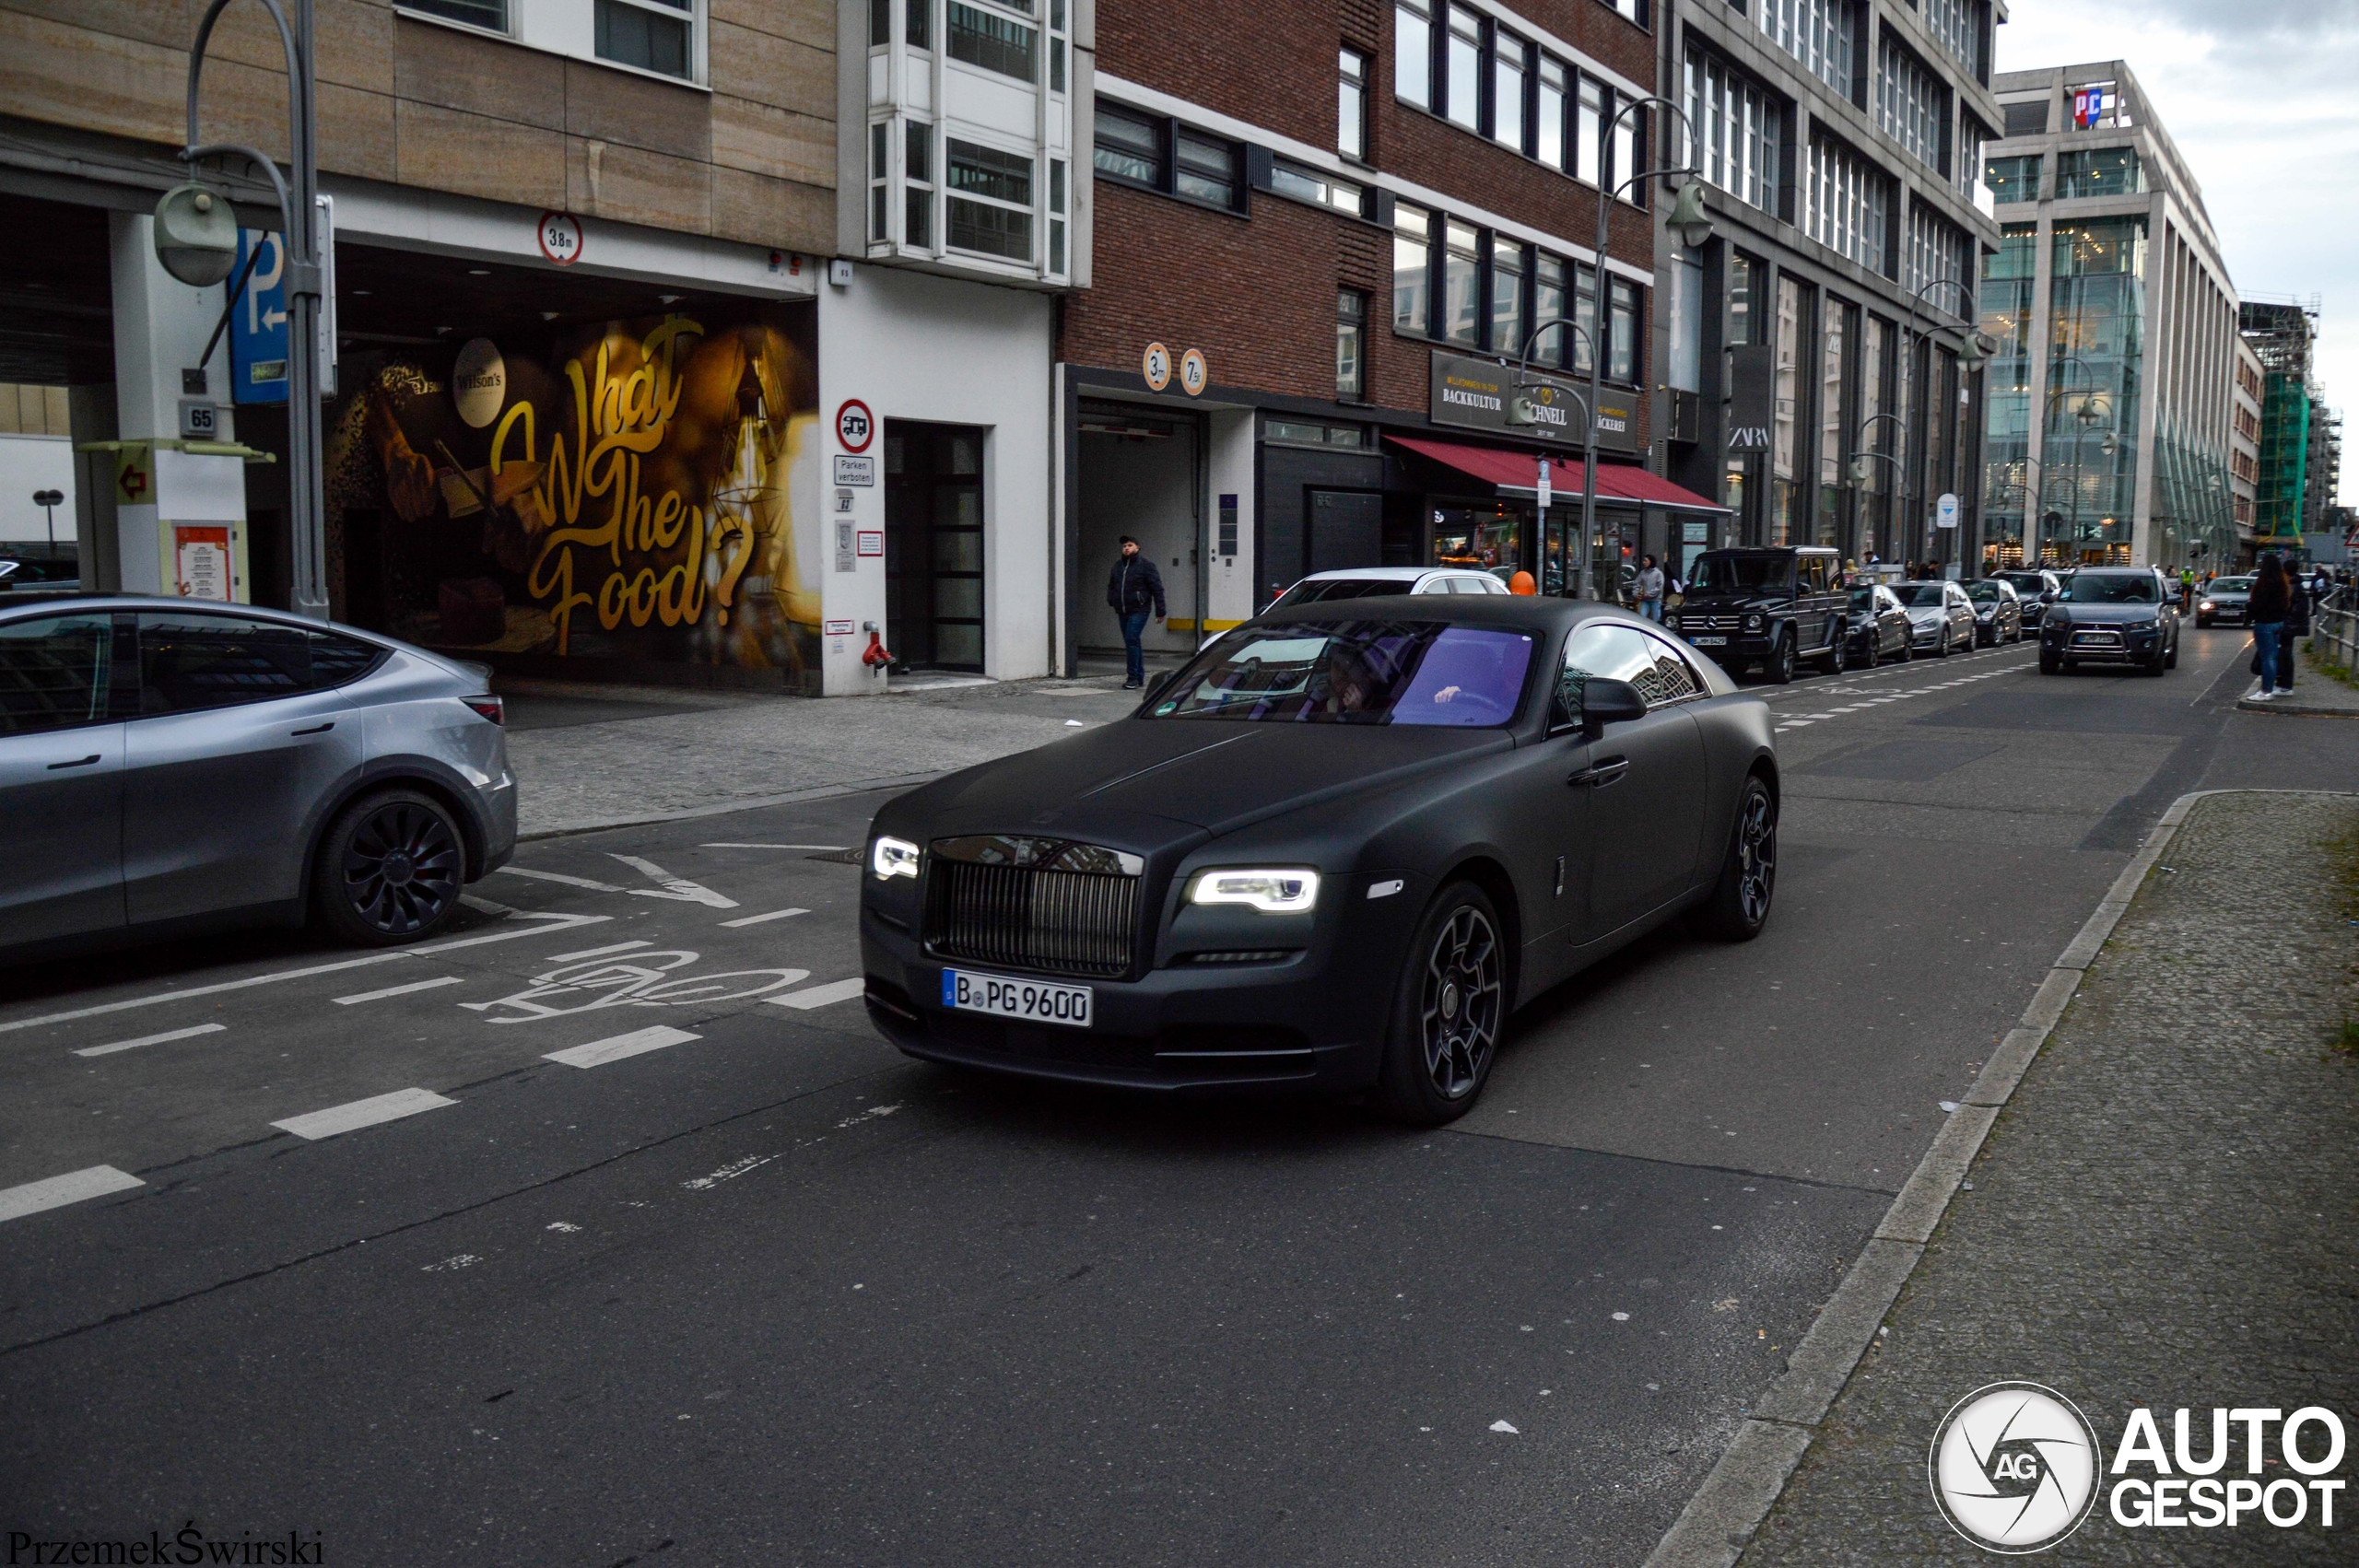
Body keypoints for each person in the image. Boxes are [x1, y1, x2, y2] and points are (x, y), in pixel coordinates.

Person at [1106, 536, 1166, 689]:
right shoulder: (1118, 566)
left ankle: (1132, 677)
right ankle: (1139, 676)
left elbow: (1157, 589)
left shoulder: (1146, 566)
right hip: (1123, 609)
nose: (1126, 548)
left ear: (1137, 548)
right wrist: (1111, 599)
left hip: (1140, 609)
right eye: (1124, 546)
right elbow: (1112, 584)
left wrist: (1160, 611)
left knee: (1132, 638)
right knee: (1132, 641)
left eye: (1130, 545)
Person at [2248, 553, 2291, 701]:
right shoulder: (2282, 583)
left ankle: (2266, 691)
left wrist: (2251, 611)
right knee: (2272, 656)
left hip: (2264, 623)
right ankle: (2270, 688)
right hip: (2278, 622)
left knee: (2267, 658)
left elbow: (2257, 604)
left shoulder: (2264, 583)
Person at [2281, 554, 2312, 690]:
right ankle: (2285, 684)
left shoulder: (2290, 586)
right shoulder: (2298, 585)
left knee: (2285, 654)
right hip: (2292, 624)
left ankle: (2285, 684)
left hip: (2287, 624)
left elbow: (2288, 607)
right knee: (2286, 652)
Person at [1635, 554, 1665, 620]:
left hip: (1655, 600)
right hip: (1645, 600)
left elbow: (1659, 587)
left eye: (1646, 561)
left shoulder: (1658, 573)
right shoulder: (1643, 572)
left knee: (1656, 619)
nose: (1644, 563)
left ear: (1651, 562)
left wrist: (1648, 594)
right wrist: (1636, 593)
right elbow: (1636, 583)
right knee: (1642, 618)